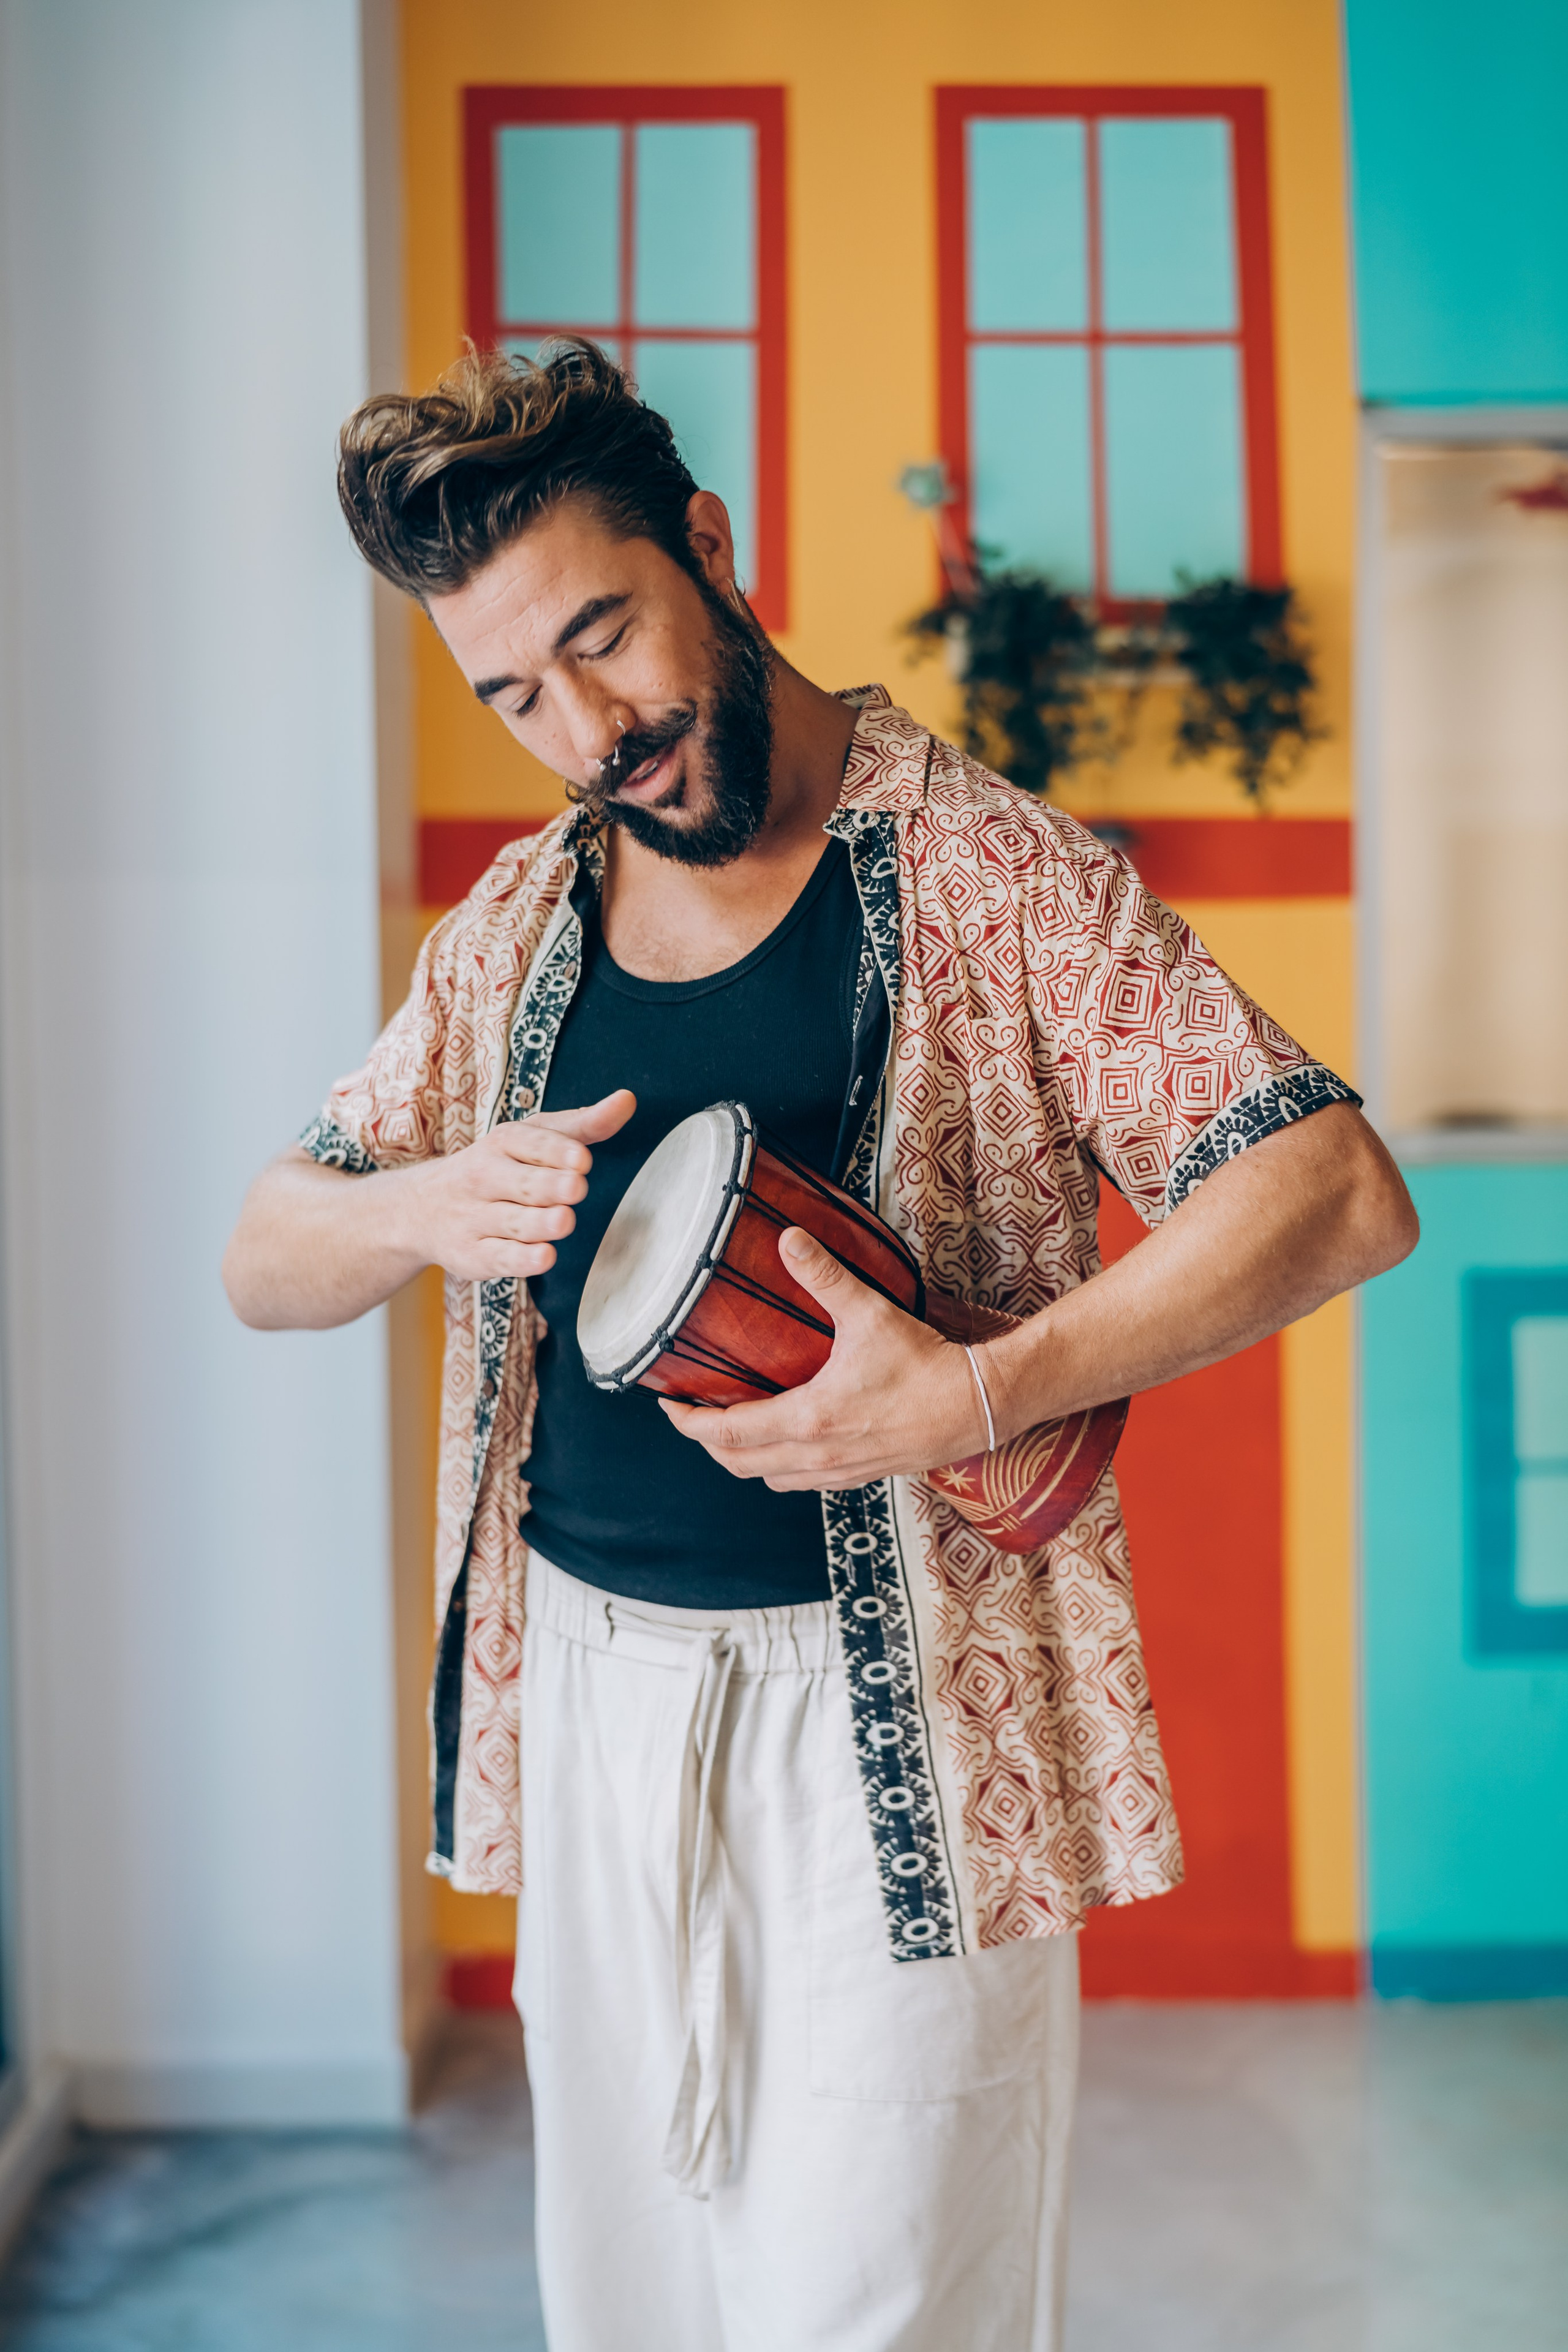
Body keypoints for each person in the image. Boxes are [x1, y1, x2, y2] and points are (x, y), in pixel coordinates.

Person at [223, 340, 1417, 2352]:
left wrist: (971, 1390)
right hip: (593, 1705)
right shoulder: (514, 930)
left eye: (603, 636)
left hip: (901, 1738)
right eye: (514, 691)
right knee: (628, 2303)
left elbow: (1334, 1191)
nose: (586, 726)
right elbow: (269, 1252)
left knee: (885, 2312)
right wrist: (417, 1209)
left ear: (709, 543)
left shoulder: (988, 874)